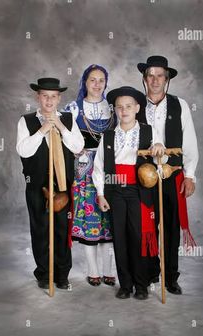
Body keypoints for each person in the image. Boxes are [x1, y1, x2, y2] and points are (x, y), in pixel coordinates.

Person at [137, 55, 199, 294]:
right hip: (144, 175)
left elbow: (190, 141)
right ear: (144, 79)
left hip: (172, 175)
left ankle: (171, 277)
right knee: (148, 226)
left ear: (167, 79)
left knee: (171, 228)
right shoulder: (135, 105)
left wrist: (190, 175)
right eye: (150, 75)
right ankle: (152, 273)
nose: (155, 80)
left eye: (159, 75)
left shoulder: (179, 105)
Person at [16, 77, 84, 290]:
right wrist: (43, 130)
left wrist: (61, 127)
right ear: (38, 97)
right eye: (45, 96)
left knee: (63, 229)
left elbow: (77, 146)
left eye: (53, 96)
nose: (49, 100)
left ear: (59, 98)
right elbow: (23, 150)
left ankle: (62, 274)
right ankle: (45, 273)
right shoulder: (25, 121)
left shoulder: (69, 119)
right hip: (37, 185)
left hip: (63, 186)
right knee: (41, 228)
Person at [92, 86, 159, 300]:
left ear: (137, 108)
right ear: (115, 110)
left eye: (129, 106)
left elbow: (162, 160)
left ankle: (141, 284)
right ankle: (125, 284)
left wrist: (159, 148)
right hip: (115, 191)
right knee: (119, 238)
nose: (124, 110)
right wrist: (101, 194)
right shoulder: (108, 136)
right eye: (119, 107)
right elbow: (99, 167)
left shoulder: (149, 132)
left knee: (137, 237)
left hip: (139, 191)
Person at [64, 64, 116, 287]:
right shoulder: (73, 108)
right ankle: (93, 271)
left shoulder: (114, 106)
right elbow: (65, 140)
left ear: (106, 83)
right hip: (84, 169)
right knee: (89, 218)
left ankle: (109, 270)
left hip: (109, 168)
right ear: (85, 82)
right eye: (92, 80)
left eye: (101, 80)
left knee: (110, 219)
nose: (97, 84)